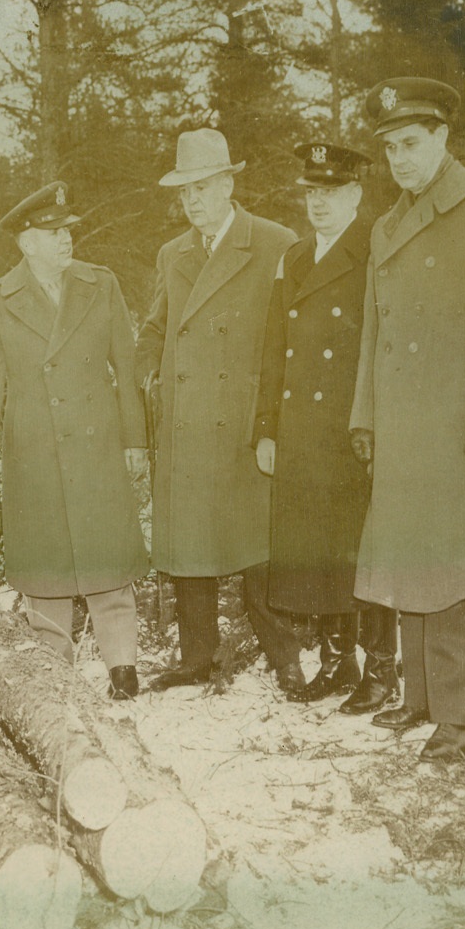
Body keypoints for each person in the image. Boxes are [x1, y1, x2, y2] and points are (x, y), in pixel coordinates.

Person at [350, 77, 465, 760]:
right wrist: (364, 415)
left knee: (455, 569)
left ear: (441, 139)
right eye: (390, 147)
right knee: (408, 559)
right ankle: (421, 699)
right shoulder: (387, 226)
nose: (399, 159)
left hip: (464, 427)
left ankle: (458, 722)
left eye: (410, 143)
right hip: (403, 426)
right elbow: (376, 329)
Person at [0, 181, 148, 699]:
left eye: (68, 230)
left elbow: (127, 364)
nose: (66, 239)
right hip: (34, 449)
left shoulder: (101, 284)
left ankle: (123, 667)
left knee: (107, 555)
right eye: (53, 232)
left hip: (97, 441)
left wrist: (135, 439)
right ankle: (55, 673)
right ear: (27, 243)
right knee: (46, 566)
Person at [137, 128, 304, 694]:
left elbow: (292, 335)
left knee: (257, 541)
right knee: (191, 541)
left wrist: (279, 417)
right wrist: (142, 368)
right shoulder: (172, 253)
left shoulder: (277, 243)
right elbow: (158, 323)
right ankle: (197, 656)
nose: (194, 202)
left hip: (245, 415)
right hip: (187, 416)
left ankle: (284, 652)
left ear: (230, 183)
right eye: (185, 192)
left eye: (204, 188)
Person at [253, 142, 400, 713]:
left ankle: (383, 669)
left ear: (357, 195)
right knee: (316, 549)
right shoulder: (293, 258)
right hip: (301, 431)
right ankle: (337, 662)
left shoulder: (374, 250)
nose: (319, 203)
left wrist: (379, 425)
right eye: (312, 192)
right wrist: (266, 427)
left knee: (360, 550)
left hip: (352, 429)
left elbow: (386, 345)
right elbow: (274, 349)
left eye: (331, 192)